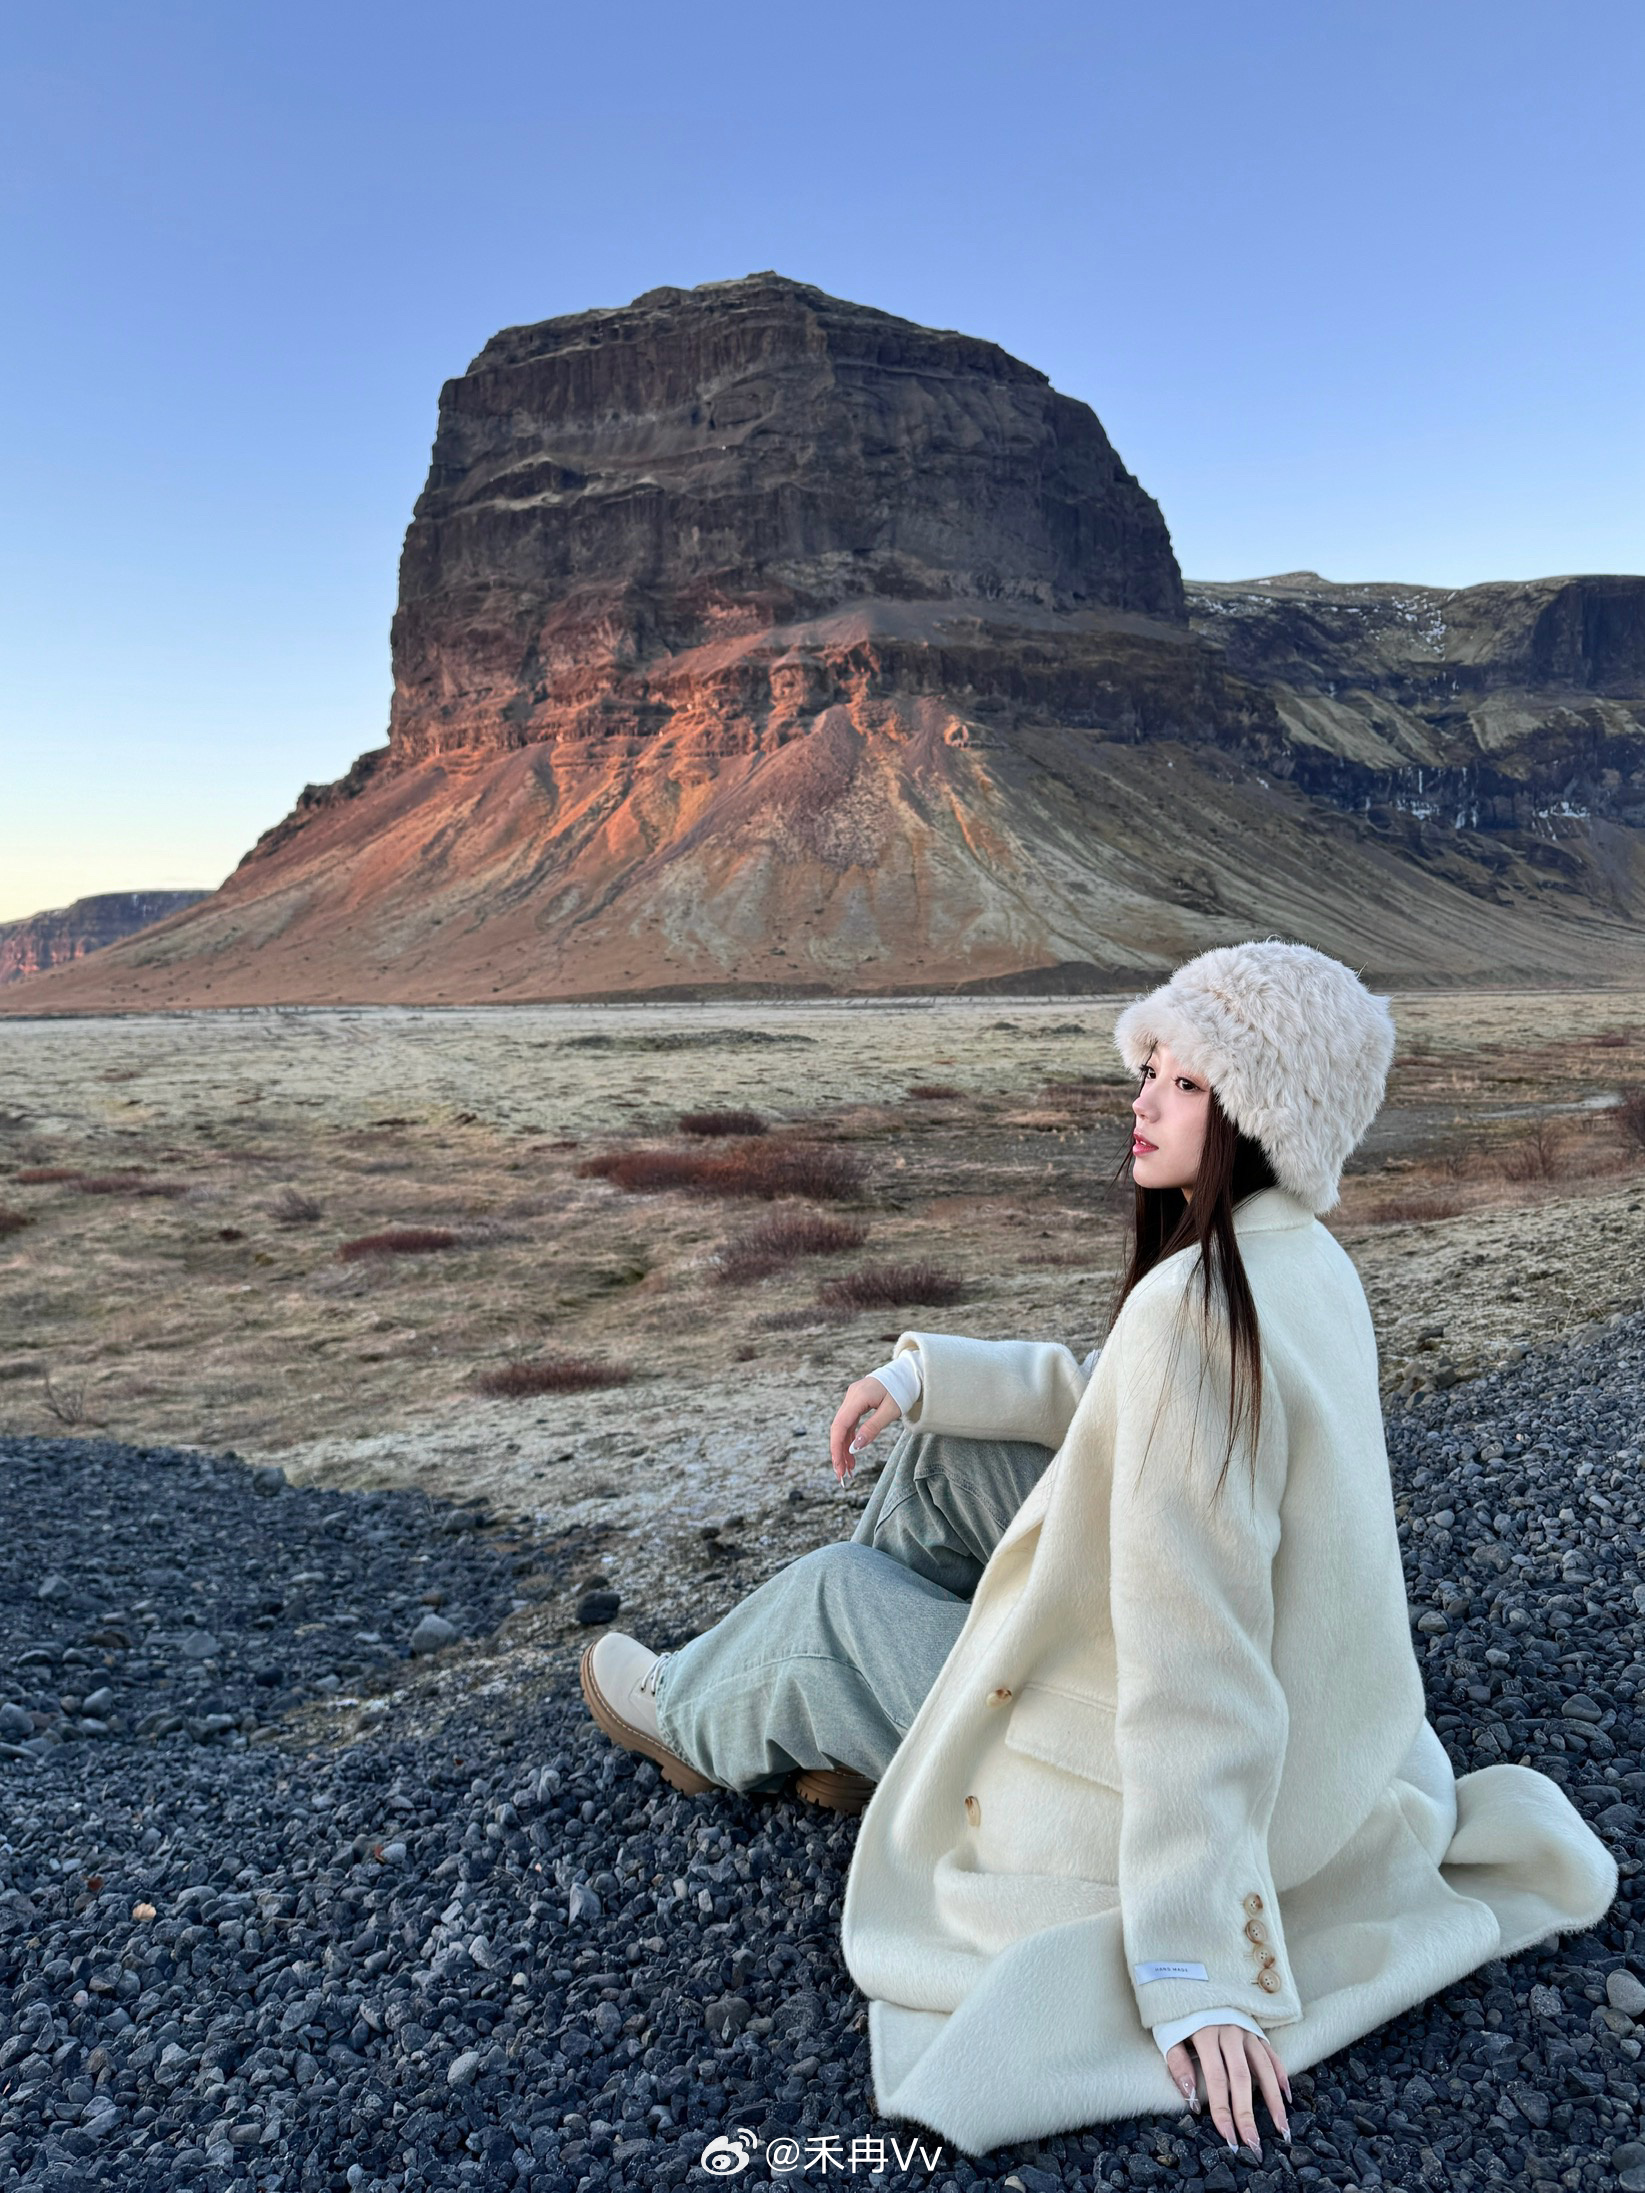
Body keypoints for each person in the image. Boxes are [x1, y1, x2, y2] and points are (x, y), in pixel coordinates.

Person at [578, 939, 1618, 2158]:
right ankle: (888, 1727)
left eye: (1182, 1082)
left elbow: (1200, 1655)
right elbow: (1129, 1415)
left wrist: (1195, 1960)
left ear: (1257, 1112)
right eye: (1149, 1068)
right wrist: (925, 1379)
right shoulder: (1300, 1264)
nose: (1141, 1100)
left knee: (829, 1596)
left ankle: (697, 1710)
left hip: (1141, 1787)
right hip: (1327, 1747)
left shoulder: (1197, 1316)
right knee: (945, 1455)